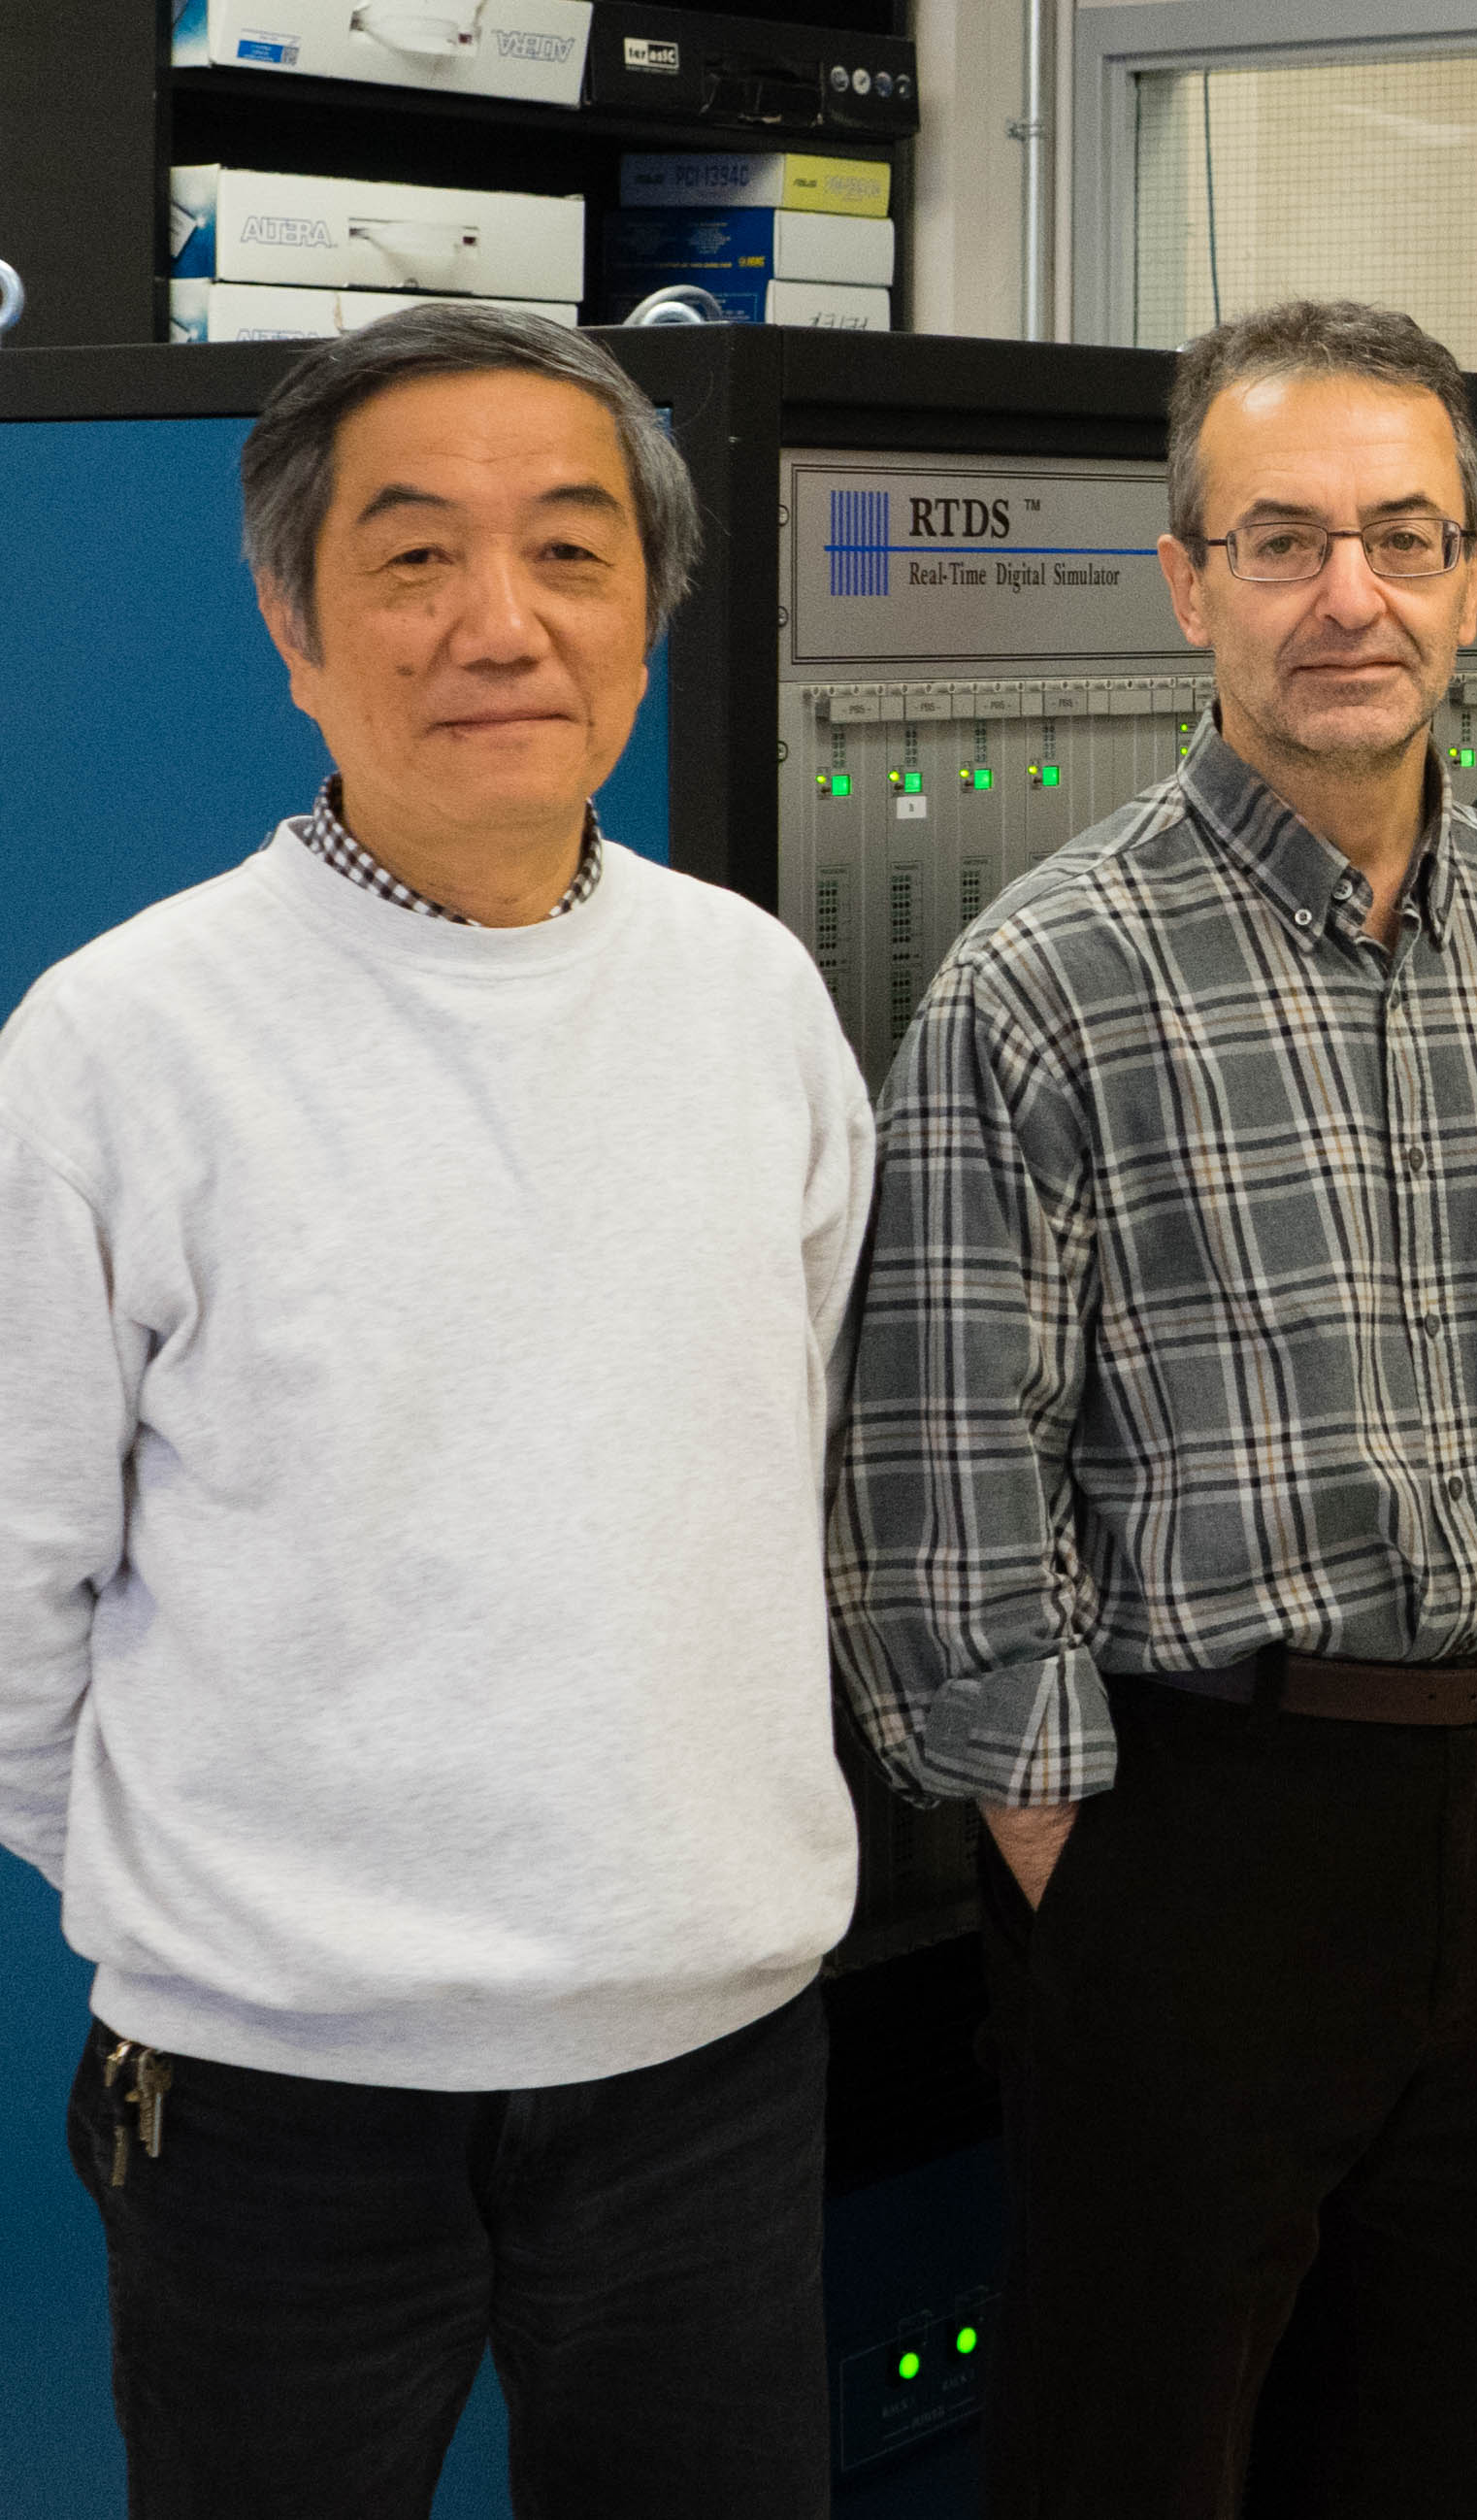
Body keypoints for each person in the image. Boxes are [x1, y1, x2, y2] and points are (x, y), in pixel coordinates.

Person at [829, 298, 1477, 2520]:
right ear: (1186, 576)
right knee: (1141, 2454)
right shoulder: (1043, 975)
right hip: (1200, 1826)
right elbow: (940, 1485)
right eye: (1287, 538)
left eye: (1404, 538)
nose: (1351, 595)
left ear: (1469, 575)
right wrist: (1079, 1866)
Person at [0, 302, 869, 2517]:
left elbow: (794, 1464)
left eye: (571, 551)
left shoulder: (753, 998)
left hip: (709, 2064)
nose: (503, 622)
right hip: (275, 2098)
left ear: (650, 612)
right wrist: (234, 1923)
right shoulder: (120, 1046)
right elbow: (14, 1593)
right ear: (293, 623)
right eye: (413, 557)